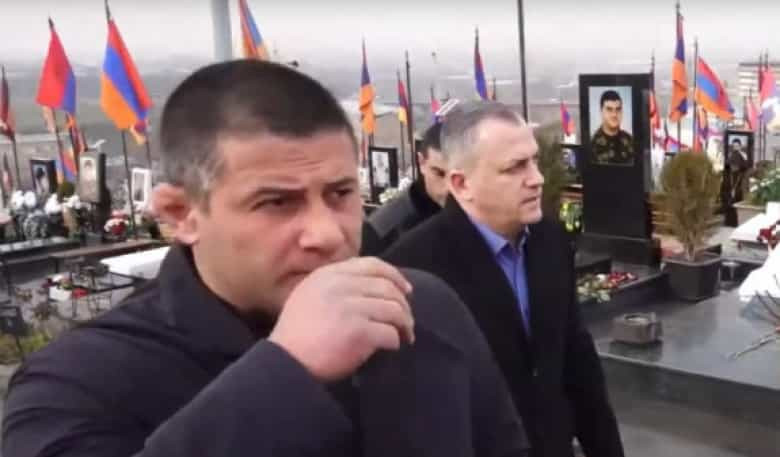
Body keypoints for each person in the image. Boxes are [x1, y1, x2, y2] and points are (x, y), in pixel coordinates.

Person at [2, 61, 529, 457]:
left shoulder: (424, 307)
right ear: (181, 214)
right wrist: (287, 370)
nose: (325, 234)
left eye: (340, 194)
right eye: (277, 202)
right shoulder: (77, 382)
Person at [384, 101, 624, 457]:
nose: (537, 178)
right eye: (515, 167)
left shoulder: (550, 240)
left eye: (534, 161)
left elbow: (576, 360)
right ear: (461, 184)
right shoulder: (412, 268)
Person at [361, 123, 448, 255]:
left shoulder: (478, 211)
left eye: (459, 176)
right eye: (440, 173)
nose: (450, 187)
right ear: (421, 162)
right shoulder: (383, 228)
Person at [591, 90, 634, 165]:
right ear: (601, 112)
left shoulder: (631, 141)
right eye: (609, 109)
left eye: (618, 109)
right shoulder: (591, 146)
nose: (614, 115)